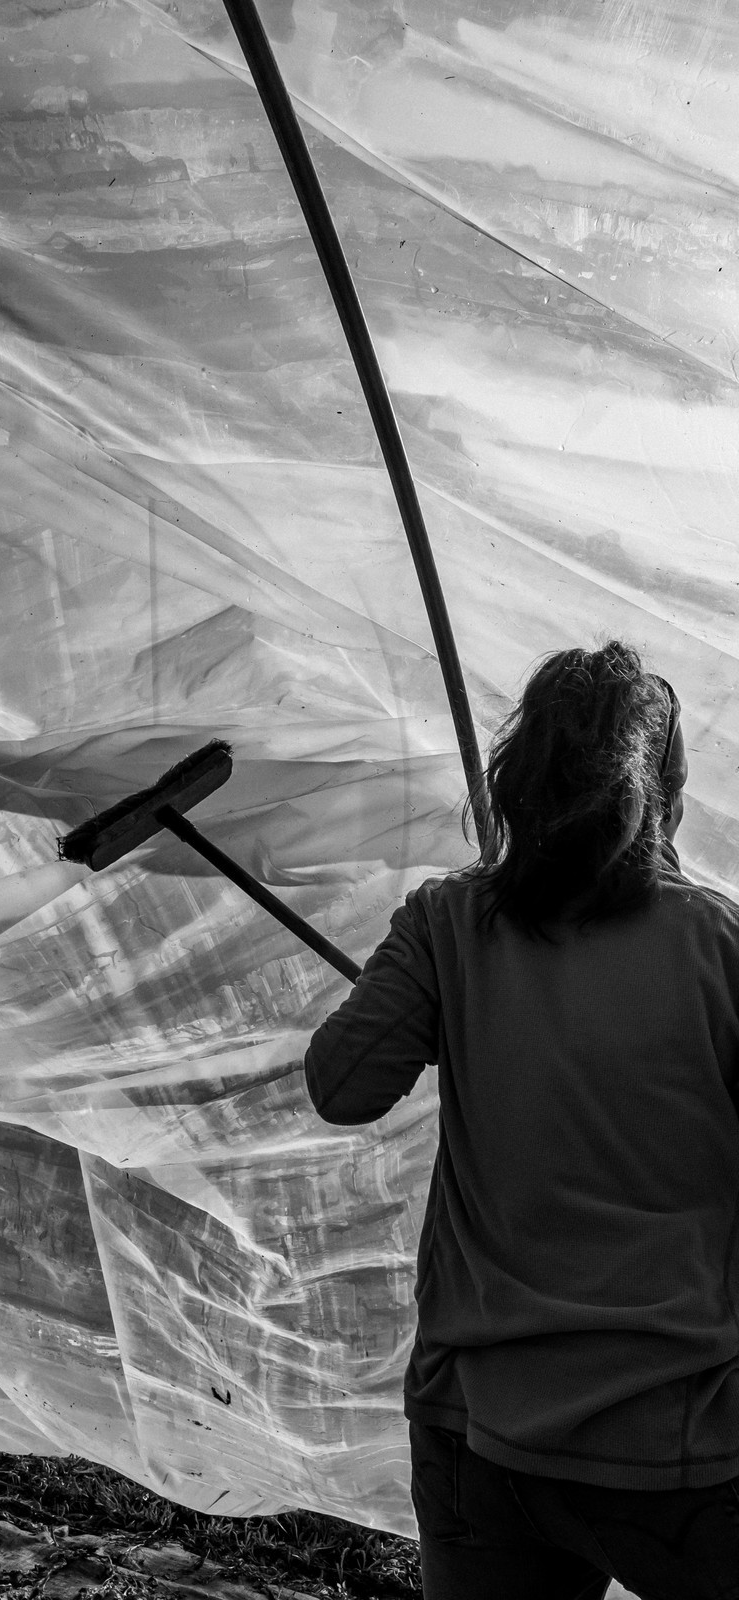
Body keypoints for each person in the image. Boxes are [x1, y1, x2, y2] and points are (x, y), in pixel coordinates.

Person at [304, 642, 739, 1598]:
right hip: (684, 1446)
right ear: (661, 791)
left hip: (480, 1437)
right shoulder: (720, 947)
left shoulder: (450, 923)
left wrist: (442, 982)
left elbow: (343, 1086)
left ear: (519, 781)